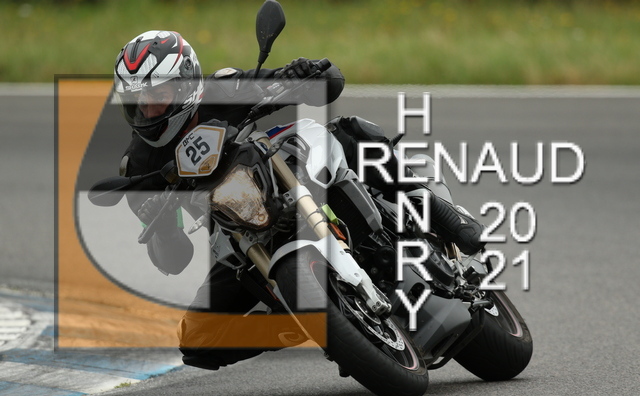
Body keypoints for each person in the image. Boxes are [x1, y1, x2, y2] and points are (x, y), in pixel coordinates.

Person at [113, 30, 484, 371]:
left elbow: (330, 82)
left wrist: (302, 74)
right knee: (197, 339)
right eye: (138, 99)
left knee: (347, 132)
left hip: (280, 176)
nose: (148, 109)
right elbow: (173, 260)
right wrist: (163, 228)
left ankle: (440, 212)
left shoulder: (223, 88)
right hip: (236, 236)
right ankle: (309, 323)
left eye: (158, 97)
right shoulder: (137, 167)